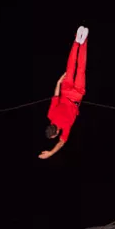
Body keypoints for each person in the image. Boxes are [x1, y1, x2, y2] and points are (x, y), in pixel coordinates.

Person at [39, 26, 89, 159]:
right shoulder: (50, 115)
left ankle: (83, 41)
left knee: (80, 68)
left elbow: (62, 142)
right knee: (71, 66)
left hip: (77, 95)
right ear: (50, 125)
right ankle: (77, 41)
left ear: (55, 134)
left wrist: (50, 153)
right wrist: (58, 82)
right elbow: (56, 96)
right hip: (65, 90)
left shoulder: (65, 127)